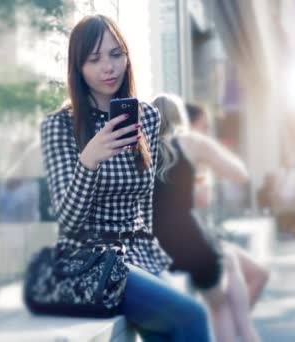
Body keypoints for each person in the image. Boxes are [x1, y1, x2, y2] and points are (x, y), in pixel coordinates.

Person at [40, 15, 211, 341]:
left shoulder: (146, 117)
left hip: (138, 255)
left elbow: (144, 205)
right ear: (78, 68)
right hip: (86, 260)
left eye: (116, 55)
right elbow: (68, 221)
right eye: (95, 59)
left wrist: (153, 257)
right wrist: (88, 161)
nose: (109, 67)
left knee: (169, 329)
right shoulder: (60, 126)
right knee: (192, 316)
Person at [152, 94, 261, 342]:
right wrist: (201, 169)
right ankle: (245, 332)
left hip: (153, 243)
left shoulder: (140, 146)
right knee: (219, 304)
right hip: (189, 238)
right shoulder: (191, 142)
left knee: (226, 260)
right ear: (181, 116)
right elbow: (240, 174)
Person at [185, 102, 270, 309]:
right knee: (251, 276)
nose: (208, 133)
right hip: (191, 242)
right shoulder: (188, 158)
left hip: (205, 236)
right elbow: (201, 199)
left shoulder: (196, 158)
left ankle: (233, 325)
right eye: (204, 127)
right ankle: (234, 326)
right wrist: (205, 164)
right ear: (189, 127)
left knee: (258, 275)